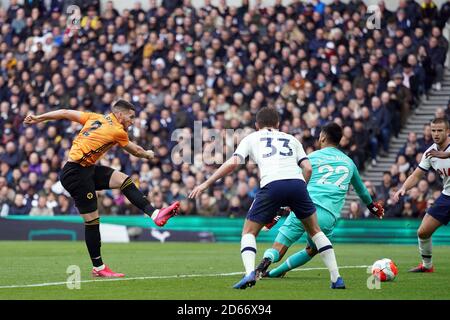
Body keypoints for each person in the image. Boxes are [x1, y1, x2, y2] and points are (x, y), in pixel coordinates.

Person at [189, 108, 345, 289]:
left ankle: (249, 273)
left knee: (248, 232)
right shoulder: (292, 139)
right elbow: (308, 169)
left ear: (257, 125)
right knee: (316, 232)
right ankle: (336, 278)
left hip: (272, 184)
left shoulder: (251, 138)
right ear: (278, 124)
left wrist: (206, 184)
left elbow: (232, 163)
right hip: (297, 184)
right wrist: (300, 189)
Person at [23, 99, 180, 278]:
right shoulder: (117, 131)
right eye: (131, 117)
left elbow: (66, 112)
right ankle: (98, 267)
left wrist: (39, 118)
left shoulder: (94, 118)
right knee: (92, 221)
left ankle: (155, 214)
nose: (132, 121)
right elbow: (135, 150)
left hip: (85, 169)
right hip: (76, 174)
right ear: (119, 115)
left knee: (123, 180)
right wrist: (147, 154)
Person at [256, 122, 384, 279]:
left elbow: (292, 182)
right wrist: (372, 206)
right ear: (340, 140)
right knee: (312, 249)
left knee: (278, 247)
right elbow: (362, 191)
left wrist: (279, 209)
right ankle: (277, 272)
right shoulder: (349, 162)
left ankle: (267, 260)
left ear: (322, 137)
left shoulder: (310, 158)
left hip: (303, 208)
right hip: (326, 215)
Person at [393, 117, 450, 272]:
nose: (436, 134)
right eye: (433, 130)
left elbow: (445, 155)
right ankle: (427, 266)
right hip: (447, 196)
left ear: (448, 131)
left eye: (440, 130)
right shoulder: (429, 153)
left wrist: (444, 155)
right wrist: (403, 188)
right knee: (423, 231)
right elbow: (416, 175)